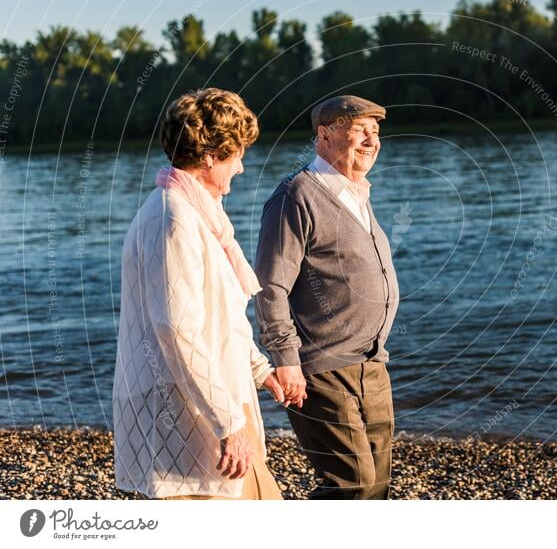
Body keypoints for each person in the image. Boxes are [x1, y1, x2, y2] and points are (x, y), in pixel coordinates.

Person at [113, 88, 285, 500]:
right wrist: (227, 423)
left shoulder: (200, 214)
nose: (242, 167)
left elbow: (221, 313)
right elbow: (177, 329)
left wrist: (259, 370)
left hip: (219, 396)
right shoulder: (173, 218)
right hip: (186, 412)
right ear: (210, 154)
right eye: (237, 154)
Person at [254, 95, 400, 499]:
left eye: (376, 131)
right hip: (321, 369)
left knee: (378, 488)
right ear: (325, 134)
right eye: (359, 130)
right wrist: (286, 361)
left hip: (372, 363)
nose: (371, 140)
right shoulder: (296, 196)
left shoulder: (358, 194)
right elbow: (270, 287)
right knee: (352, 486)